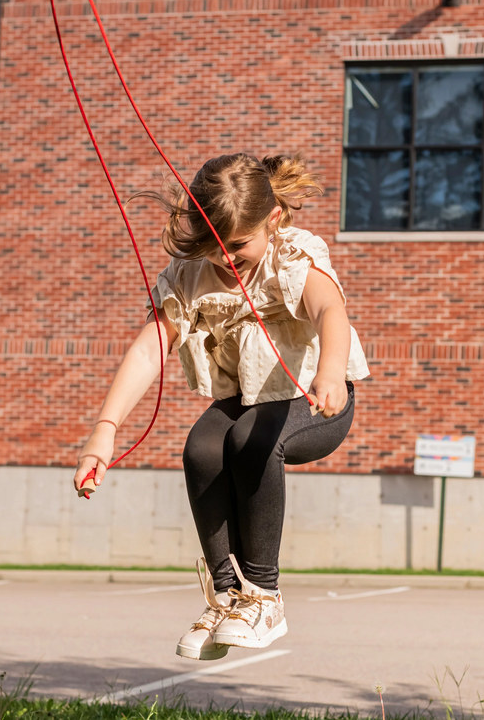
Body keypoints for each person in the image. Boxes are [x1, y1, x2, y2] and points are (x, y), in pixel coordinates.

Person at [74, 153, 369, 660]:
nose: (226, 260)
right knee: (203, 448)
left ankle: (262, 595)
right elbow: (150, 349)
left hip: (316, 399)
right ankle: (226, 596)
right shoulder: (191, 273)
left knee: (250, 438)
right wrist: (105, 429)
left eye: (237, 247)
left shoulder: (292, 253)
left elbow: (329, 308)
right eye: (213, 248)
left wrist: (329, 370)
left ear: (272, 220)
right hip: (247, 400)